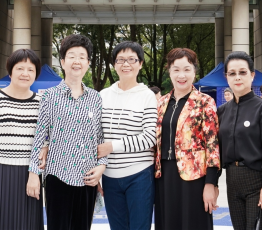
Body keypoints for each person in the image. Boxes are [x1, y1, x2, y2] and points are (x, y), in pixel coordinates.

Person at [28, 34, 107, 230]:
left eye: (82, 57)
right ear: (63, 62)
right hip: (58, 175)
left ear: (88, 63)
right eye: (71, 56)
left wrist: (102, 166)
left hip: (87, 177)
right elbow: (39, 137)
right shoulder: (50, 96)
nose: (76, 61)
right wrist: (34, 173)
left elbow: (101, 137)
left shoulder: (96, 98)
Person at [0, 49, 43, 230]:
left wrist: (35, 173)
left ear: (36, 74)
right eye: (20, 68)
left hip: (30, 176)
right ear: (10, 71)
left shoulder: (42, 103)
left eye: (31, 69)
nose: (25, 73)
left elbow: (44, 145)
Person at [155, 48, 220, 230]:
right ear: (169, 72)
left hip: (194, 177)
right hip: (164, 177)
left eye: (187, 69)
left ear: (194, 72)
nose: (181, 75)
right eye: (176, 70)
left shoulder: (205, 101)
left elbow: (212, 144)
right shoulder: (161, 103)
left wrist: (211, 183)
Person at [97, 41, 158, 230]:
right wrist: (96, 172)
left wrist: (112, 146)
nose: (126, 64)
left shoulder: (147, 96)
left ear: (140, 64)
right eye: (121, 59)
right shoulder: (103, 95)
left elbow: (150, 137)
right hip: (109, 176)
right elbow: (95, 136)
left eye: (132, 59)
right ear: (114, 64)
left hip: (139, 175)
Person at [217, 52, 262, 230]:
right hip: (232, 180)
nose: (237, 77)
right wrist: (212, 182)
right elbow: (216, 150)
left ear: (252, 75)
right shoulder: (222, 111)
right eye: (232, 73)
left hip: (256, 181)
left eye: (242, 72)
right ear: (227, 77)